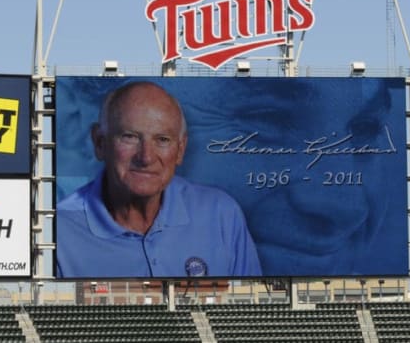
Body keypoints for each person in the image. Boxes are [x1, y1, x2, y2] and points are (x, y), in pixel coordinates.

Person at [56, 81, 262, 278]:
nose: (146, 157)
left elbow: (254, 308)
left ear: (180, 150)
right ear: (100, 143)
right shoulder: (57, 232)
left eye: (162, 140)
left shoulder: (221, 214)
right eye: (130, 137)